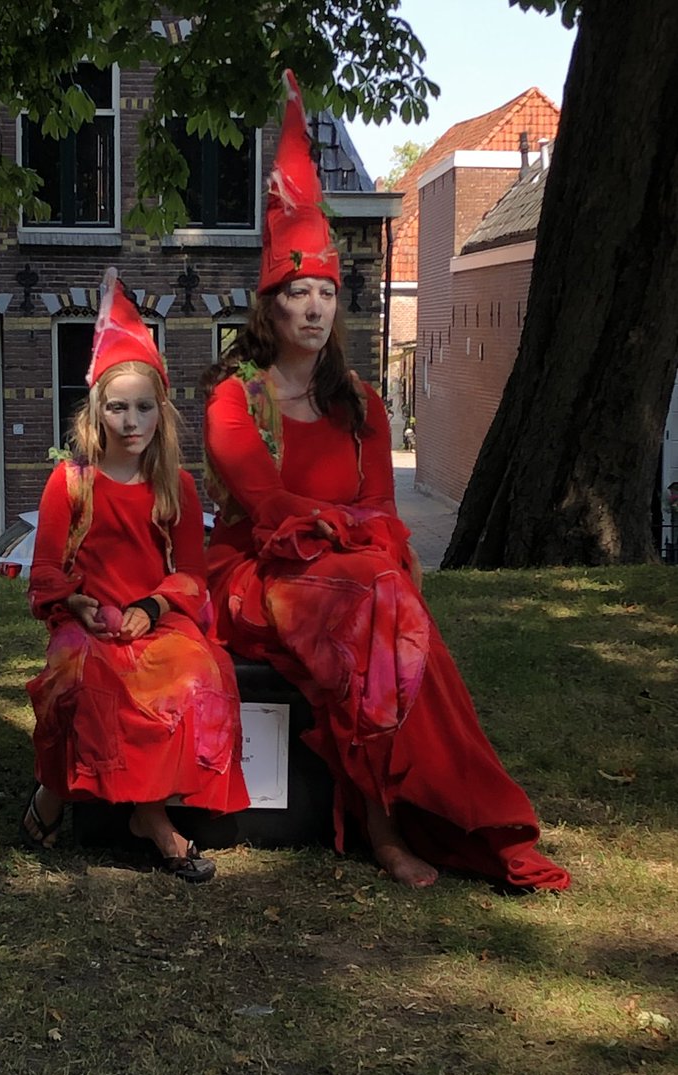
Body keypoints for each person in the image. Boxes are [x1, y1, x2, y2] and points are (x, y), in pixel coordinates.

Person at [203, 71, 570, 891]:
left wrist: (361, 545)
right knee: (378, 598)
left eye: (325, 294)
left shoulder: (362, 403)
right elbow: (267, 508)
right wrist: (356, 540)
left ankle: (431, 811)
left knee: (379, 600)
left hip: (355, 580)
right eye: (296, 293)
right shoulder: (235, 401)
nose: (314, 309)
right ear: (269, 306)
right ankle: (397, 823)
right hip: (256, 575)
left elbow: (378, 507)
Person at [24, 268, 249, 882]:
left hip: (154, 619)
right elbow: (45, 569)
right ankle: (92, 805)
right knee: (88, 680)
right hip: (89, 621)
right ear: (97, 412)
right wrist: (76, 605)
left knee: (198, 673)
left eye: (143, 407)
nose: (131, 421)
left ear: (160, 413)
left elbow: (192, 575)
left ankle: (137, 813)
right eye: (117, 408)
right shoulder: (69, 482)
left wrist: (151, 609)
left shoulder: (176, 487)